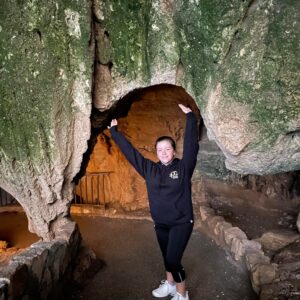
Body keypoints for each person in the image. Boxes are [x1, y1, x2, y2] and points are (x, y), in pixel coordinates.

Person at [108, 104, 199, 300]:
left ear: (174, 151)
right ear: (156, 152)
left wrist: (190, 118)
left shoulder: (183, 168)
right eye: (160, 149)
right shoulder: (150, 169)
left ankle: (182, 294)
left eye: (168, 148)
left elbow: (192, 146)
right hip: (161, 223)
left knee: (174, 260)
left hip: (181, 222)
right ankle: (169, 284)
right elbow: (132, 154)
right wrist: (114, 133)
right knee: (167, 257)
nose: (164, 152)